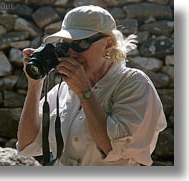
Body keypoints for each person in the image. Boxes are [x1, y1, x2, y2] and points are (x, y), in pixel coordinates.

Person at [16, 5, 167, 166]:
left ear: (109, 44)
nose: (71, 53)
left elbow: (112, 149)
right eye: (66, 46)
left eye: (80, 45)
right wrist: (35, 85)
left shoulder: (134, 83)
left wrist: (84, 92)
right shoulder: (63, 89)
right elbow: (27, 146)